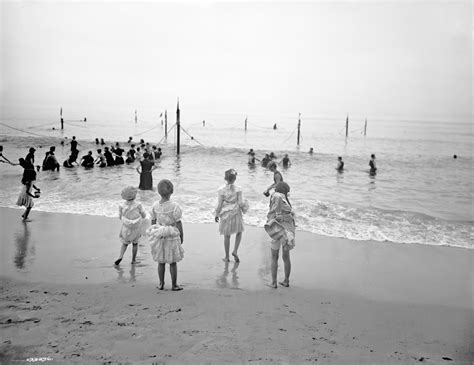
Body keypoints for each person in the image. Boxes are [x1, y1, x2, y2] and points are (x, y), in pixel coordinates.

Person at [148, 179, 184, 291]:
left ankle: (161, 283)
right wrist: (181, 235)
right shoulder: (174, 206)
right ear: (171, 191)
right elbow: (178, 222)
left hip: (159, 234)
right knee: (172, 262)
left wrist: (153, 232)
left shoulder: (155, 206)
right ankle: (174, 285)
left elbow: (153, 221)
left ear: (158, 192)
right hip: (171, 235)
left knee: (161, 261)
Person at [264, 181, 295, 288]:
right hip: (287, 231)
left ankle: (274, 282)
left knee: (274, 256)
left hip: (277, 229)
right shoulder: (287, 204)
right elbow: (291, 219)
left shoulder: (276, 196)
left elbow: (275, 208)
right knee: (286, 256)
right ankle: (286, 281)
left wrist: (276, 215)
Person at [214, 169, 248, 262]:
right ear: (235, 179)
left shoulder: (221, 189)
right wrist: (245, 208)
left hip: (226, 213)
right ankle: (235, 251)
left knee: (227, 235)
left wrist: (217, 214)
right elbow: (241, 203)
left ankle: (227, 257)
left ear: (225, 178)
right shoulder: (238, 189)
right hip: (236, 212)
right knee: (239, 231)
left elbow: (220, 204)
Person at [114, 186, 147, 266]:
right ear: (135, 195)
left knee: (124, 243)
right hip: (136, 228)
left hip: (126, 228)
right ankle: (133, 260)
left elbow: (120, 217)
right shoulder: (138, 205)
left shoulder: (121, 206)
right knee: (135, 244)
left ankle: (120, 256)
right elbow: (143, 215)